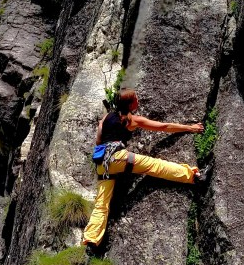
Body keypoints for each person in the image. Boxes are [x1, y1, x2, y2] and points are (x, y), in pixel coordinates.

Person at [82, 88, 204, 250]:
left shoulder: (106, 117)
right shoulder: (131, 120)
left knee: (102, 203)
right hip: (119, 157)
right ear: (130, 103)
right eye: (136, 99)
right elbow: (163, 126)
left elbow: (98, 141)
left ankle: (91, 241)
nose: (138, 101)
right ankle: (194, 176)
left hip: (101, 163)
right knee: (155, 165)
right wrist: (190, 128)